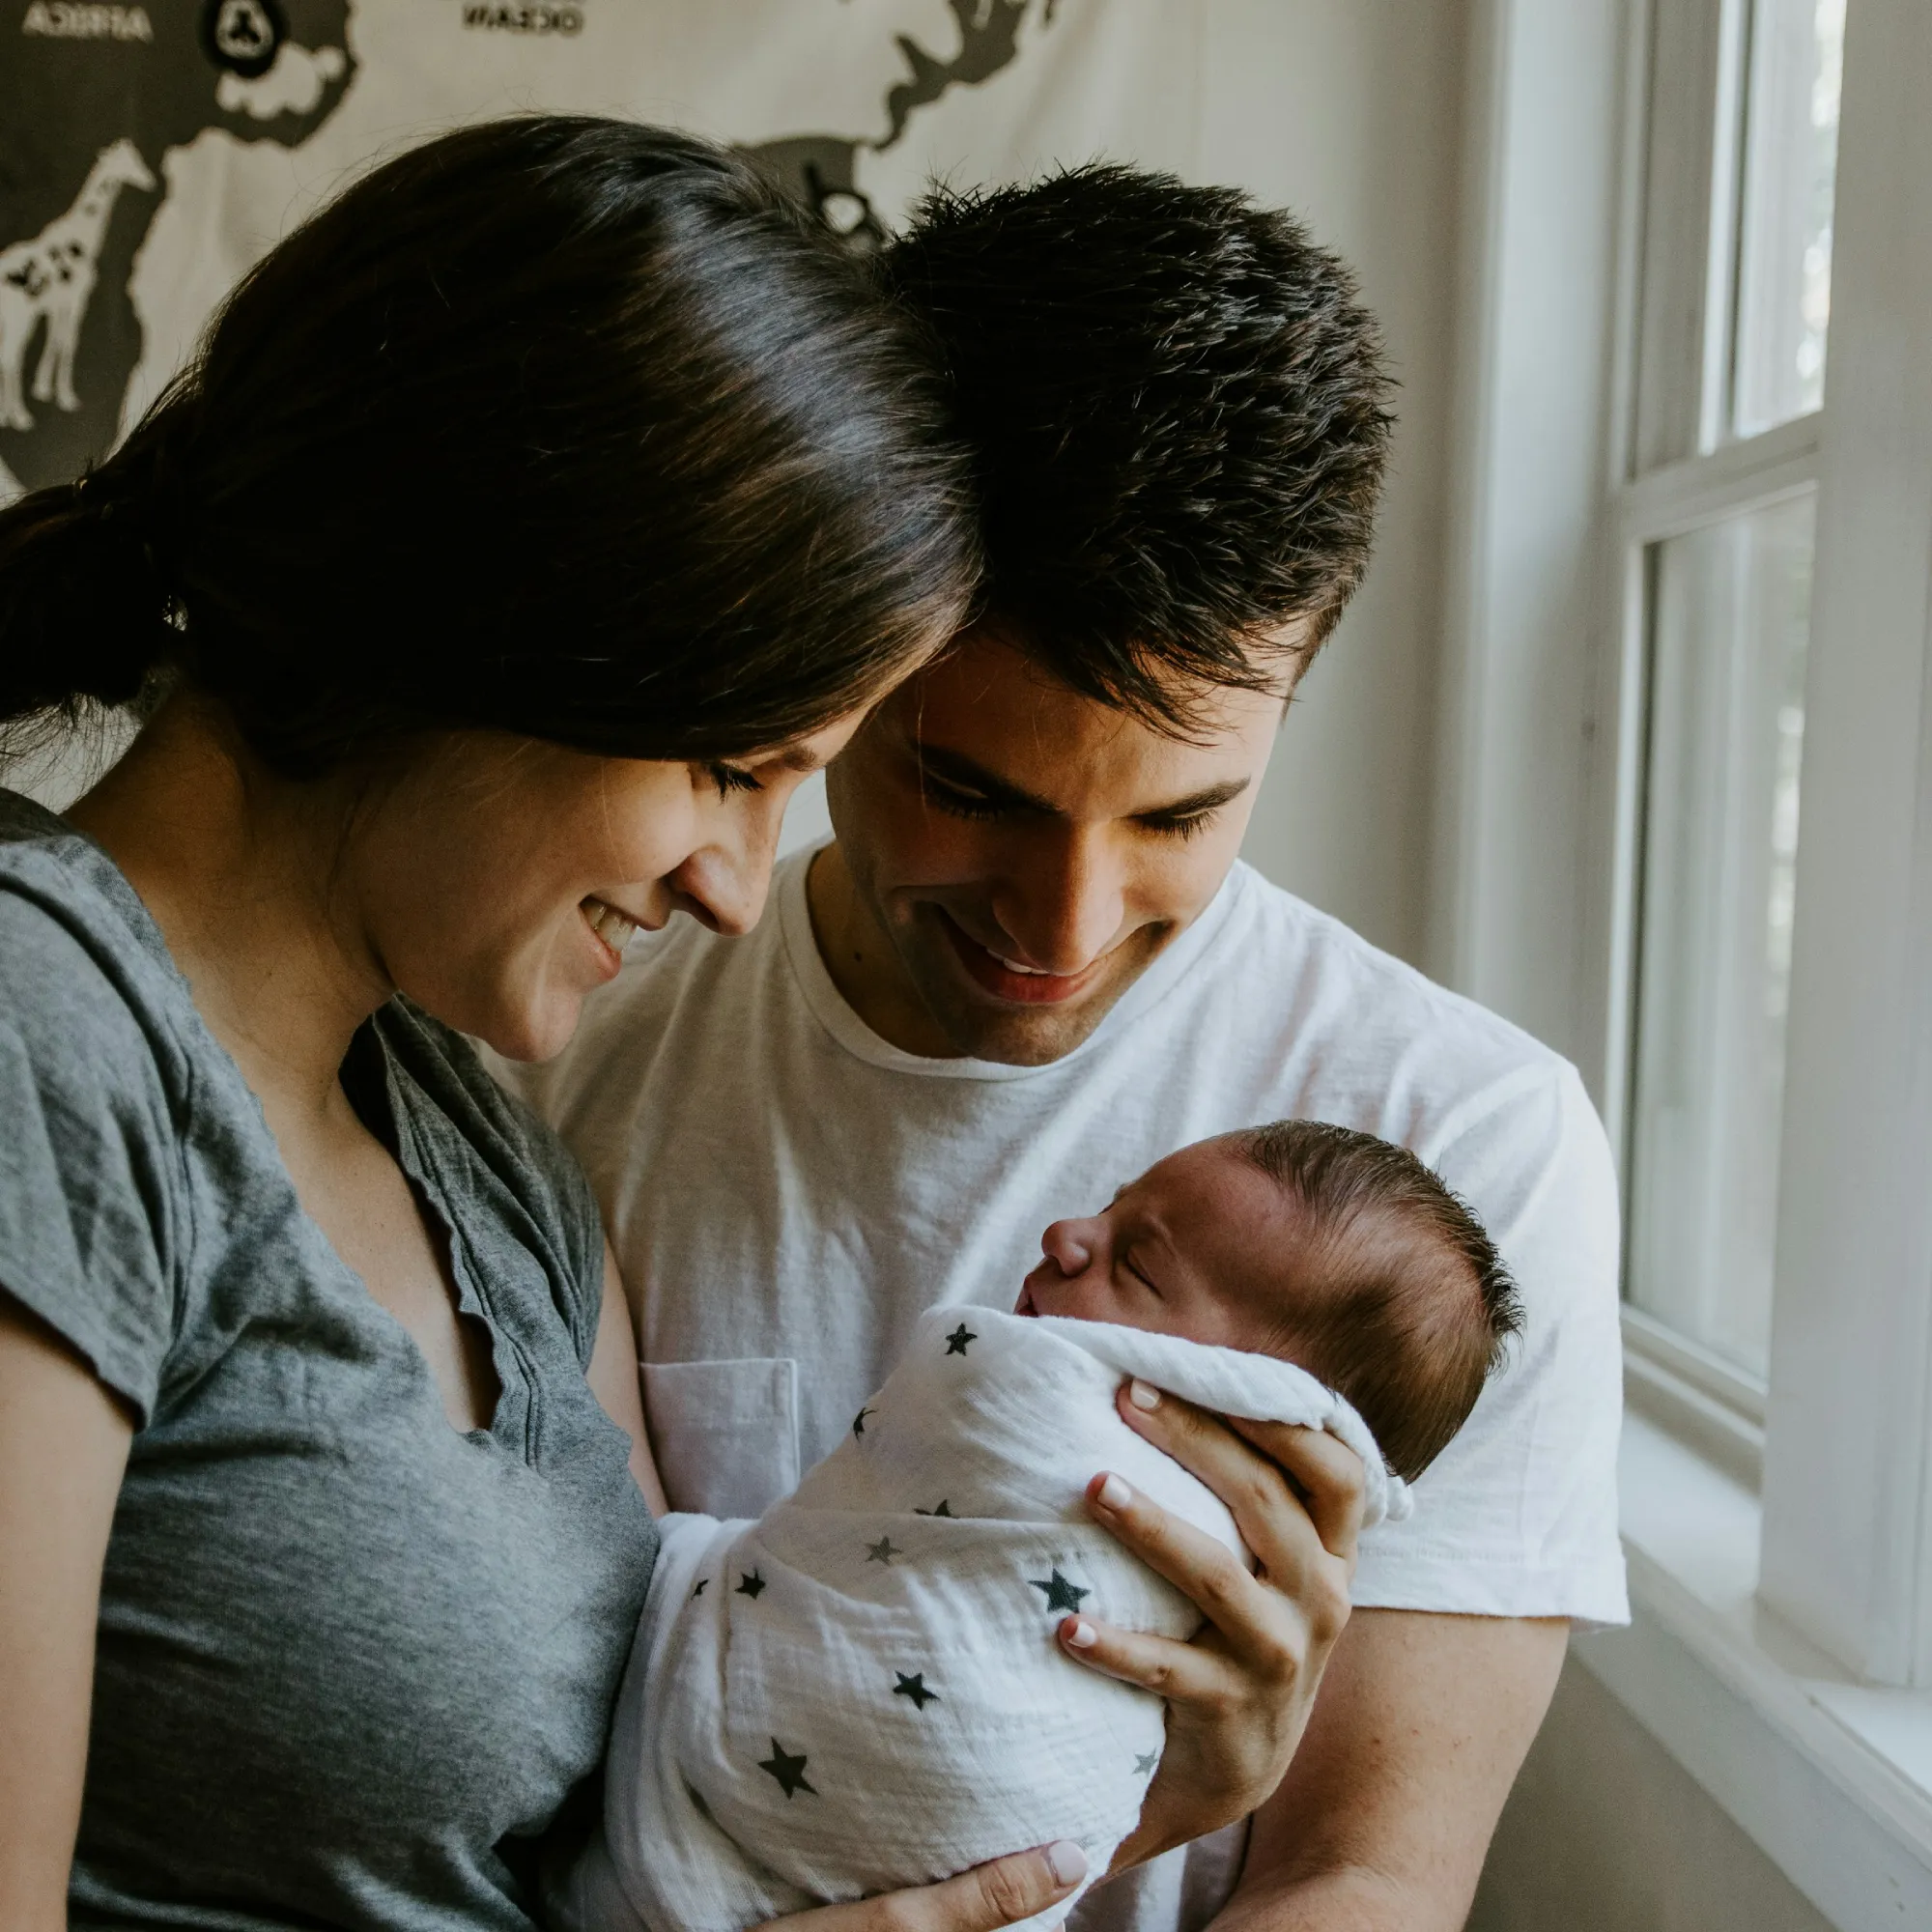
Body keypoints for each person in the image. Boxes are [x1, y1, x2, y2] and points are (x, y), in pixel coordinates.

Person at [0, 119, 1358, 1932]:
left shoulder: (469, 1144)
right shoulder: (47, 1041)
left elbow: (631, 1839)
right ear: (487, 624)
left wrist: (1096, 1777)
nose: (740, 883)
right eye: (730, 766)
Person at [504, 165, 1628, 1932]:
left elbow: (1371, 1879)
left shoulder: (1464, 1145)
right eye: (970, 790)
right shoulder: (568, 1042)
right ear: (846, 650)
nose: (1066, 927)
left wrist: (1188, 1807)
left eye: (1184, 816)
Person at [584, 1123, 1518, 1932]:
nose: (1067, 1236)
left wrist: (1193, 1796)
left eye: (1139, 1265)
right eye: (1108, 1209)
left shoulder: (1496, 1124)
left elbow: (1371, 1876)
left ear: (1254, 1403)